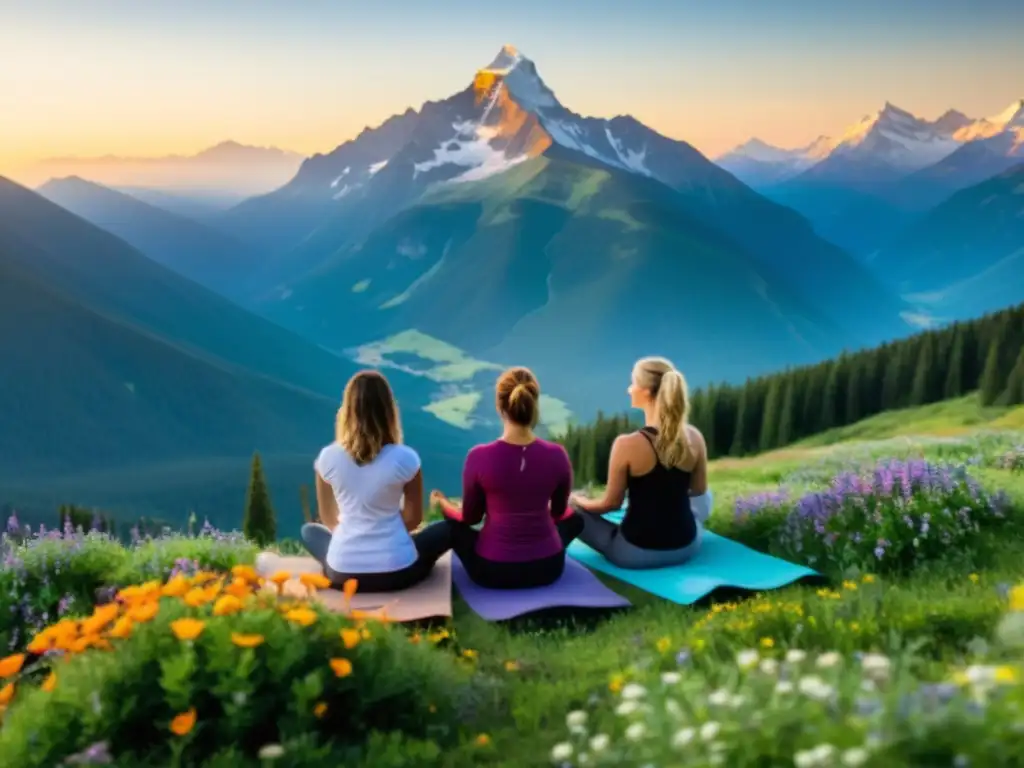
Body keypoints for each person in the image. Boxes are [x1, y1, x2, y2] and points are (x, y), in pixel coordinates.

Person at [429, 367, 584, 589]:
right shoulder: (557, 455)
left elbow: (470, 518)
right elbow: (559, 513)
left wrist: (444, 504)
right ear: (534, 404)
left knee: (452, 530)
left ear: (499, 407)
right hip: (549, 567)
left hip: (494, 571)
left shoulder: (479, 457)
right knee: (576, 519)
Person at [300, 370, 450, 592]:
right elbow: (413, 519)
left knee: (309, 532)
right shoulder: (405, 458)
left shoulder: (328, 458)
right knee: (447, 529)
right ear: (389, 411)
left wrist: (356, 530)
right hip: (396, 572)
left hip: (342, 574)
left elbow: (330, 520)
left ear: (347, 411)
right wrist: (386, 529)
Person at [569, 357, 711, 569]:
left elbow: (610, 505)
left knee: (568, 508)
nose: (629, 389)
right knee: (707, 496)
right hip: (687, 547)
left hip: (634, 553)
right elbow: (699, 490)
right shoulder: (694, 437)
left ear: (645, 391)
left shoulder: (627, 444)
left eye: (633, 383)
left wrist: (578, 500)